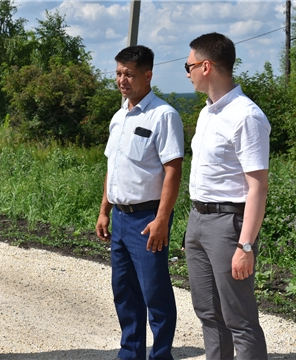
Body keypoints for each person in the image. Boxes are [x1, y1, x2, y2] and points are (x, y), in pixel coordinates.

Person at [184, 32, 270, 360]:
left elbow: (258, 187)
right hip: (199, 220)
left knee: (240, 320)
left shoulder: (246, 116)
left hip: (229, 225)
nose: (187, 72)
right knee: (208, 313)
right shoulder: (208, 113)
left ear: (206, 66)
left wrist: (245, 245)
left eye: (188, 65)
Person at [96, 45, 184, 360]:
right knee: (124, 291)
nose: (122, 80)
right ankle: (130, 353)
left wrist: (162, 219)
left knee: (154, 293)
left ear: (147, 75)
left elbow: (173, 171)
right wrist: (104, 211)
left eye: (129, 74)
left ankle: (160, 355)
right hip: (120, 217)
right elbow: (112, 167)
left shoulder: (164, 115)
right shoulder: (119, 117)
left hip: (148, 218)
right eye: (119, 73)